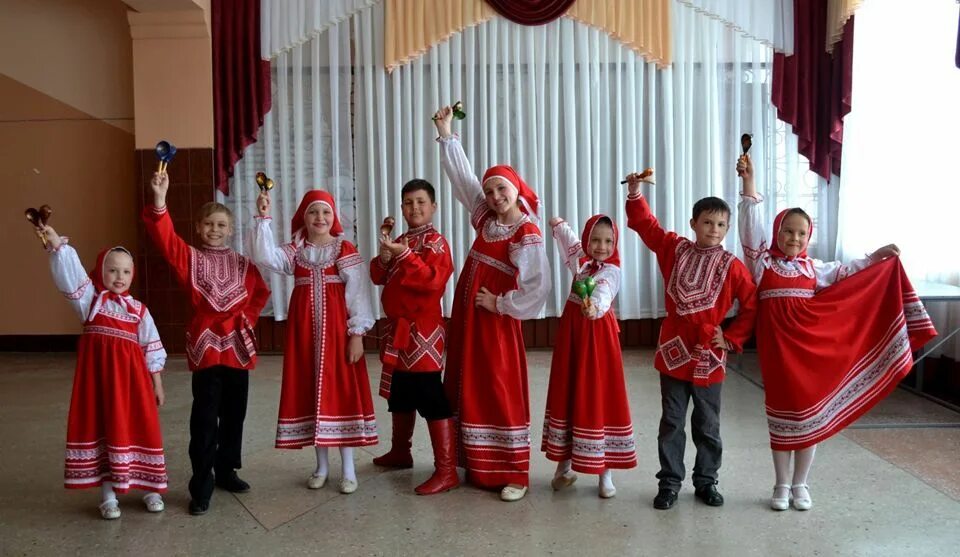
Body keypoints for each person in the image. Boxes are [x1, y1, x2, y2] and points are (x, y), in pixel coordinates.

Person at [736, 154, 937, 511]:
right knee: (782, 415)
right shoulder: (761, 263)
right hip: (778, 353)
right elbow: (750, 226)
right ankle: (781, 485)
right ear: (777, 232)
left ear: (808, 236)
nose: (794, 238)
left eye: (801, 233)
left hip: (809, 352)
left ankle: (801, 484)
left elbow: (851, 272)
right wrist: (749, 185)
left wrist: (877, 257)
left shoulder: (815, 268)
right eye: (787, 231)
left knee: (809, 414)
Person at [434, 105, 551, 502]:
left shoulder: (526, 231)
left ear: (517, 189)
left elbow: (537, 287)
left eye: (502, 189)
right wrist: (448, 134)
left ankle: (515, 471)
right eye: (490, 191)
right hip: (470, 318)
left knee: (499, 386)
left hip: (494, 320)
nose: (495, 196)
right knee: (469, 382)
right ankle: (477, 464)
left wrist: (500, 303)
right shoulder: (486, 218)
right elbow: (464, 181)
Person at [623, 170, 757, 510]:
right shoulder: (674, 248)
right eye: (707, 222)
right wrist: (635, 193)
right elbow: (647, 227)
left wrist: (731, 337)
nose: (714, 230)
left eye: (721, 225)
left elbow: (752, 304)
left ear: (727, 229)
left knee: (708, 424)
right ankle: (669, 482)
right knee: (671, 420)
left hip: (710, 353)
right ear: (693, 223)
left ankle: (706, 481)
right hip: (673, 350)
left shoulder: (732, 265)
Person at [143, 171, 270, 516]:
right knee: (204, 416)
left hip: (237, 348)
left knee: (235, 413)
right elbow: (166, 239)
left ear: (230, 230)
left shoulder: (244, 264)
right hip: (206, 347)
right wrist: (160, 200)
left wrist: (247, 318)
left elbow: (260, 292)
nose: (215, 230)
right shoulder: (190, 258)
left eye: (221, 225)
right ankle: (202, 484)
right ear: (198, 229)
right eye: (208, 224)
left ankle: (227, 470)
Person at [251, 189, 377, 494]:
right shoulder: (296, 251)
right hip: (304, 335)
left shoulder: (344, 249)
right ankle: (321, 466)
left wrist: (357, 334)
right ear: (303, 218)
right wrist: (264, 218)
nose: (319, 218)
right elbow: (264, 256)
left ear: (333, 218)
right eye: (313, 212)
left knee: (341, 392)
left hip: (338, 335)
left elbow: (358, 293)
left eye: (325, 213)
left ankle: (348, 469)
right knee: (310, 392)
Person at [38, 226, 167, 519]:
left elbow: (152, 347)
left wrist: (156, 382)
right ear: (101, 271)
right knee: (105, 429)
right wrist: (59, 246)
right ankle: (108, 494)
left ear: (132, 276)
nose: (119, 277)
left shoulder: (138, 311)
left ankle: (150, 487)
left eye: (125, 272)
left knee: (140, 427)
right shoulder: (90, 303)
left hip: (134, 385)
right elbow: (71, 277)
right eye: (112, 271)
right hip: (101, 385)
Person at [370, 178, 458, 495]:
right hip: (398, 329)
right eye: (408, 202)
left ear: (433, 206)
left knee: (429, 392)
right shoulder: (402, 239)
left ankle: (446, 470)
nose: (414, 208)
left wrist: (403, 255)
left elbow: (433, 283)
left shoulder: (437, 244)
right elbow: (379, 276)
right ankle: (400, 452)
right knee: (400, 391)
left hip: (423, 329)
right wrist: (384, 256)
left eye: (421, 202)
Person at [542, 214, 636, 499]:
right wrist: (557, 225)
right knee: (568, 393)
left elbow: (604, 293)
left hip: (597, 341)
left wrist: (595, 307)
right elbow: (569, 241)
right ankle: (563, 467)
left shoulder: (612, 271)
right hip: (572, 338)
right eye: (595, 239)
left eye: (609, 241)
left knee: (598, 396)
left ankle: (604, 472)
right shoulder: (581, 263)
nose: (602, 246)